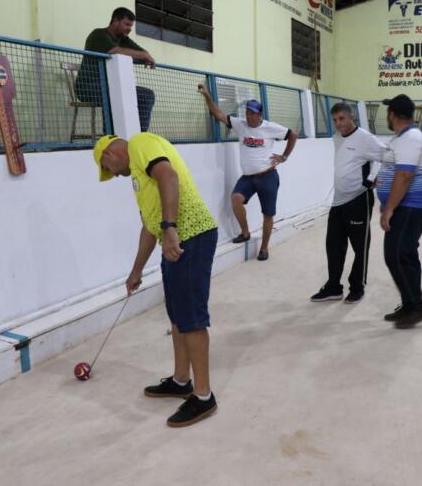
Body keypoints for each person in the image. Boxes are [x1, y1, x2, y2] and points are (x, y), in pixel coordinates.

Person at [93, 132, 218, 428]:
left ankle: (203, 397)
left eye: (108, 168)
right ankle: (181, 380)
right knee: (177, 315)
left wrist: (171, 227)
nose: (114, 174)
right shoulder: (138, 180)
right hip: (173, 240)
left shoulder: (139, 144)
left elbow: (168, 175)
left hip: (190, 235)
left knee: (191, 318)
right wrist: (136, 271)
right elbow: (150, 227)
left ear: (108, 155)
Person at [197, 84, 298, 261]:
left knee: (267, 214)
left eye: (253, 113)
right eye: (247, 113)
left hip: (268, 176)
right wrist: (207, 95)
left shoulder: (270, 127)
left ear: (260, 115)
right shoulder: (240, 124)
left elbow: (293, 134)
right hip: (248, 178)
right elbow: (218, 114)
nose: (249, 116)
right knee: (236, 199)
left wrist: (284, 156)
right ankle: (245, 233)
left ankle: (264, 248)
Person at [310, 103, 386, 304]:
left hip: (359, 199)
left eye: (342, 119)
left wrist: (371, 177)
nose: (338, 124)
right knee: (333, 246)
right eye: (335, 120)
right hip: (338, 202)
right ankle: (334, 287)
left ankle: (357, 286)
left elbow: (387, 155)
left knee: (360, 247)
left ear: (351, 117)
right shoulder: (336, 138)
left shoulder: (365, 138)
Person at [376, 95, 422, 330]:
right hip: (404, 206)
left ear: (392, 115)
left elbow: (404, 175)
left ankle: (417, 306)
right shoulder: (402, 138)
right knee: (406, 255)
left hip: (409, 207)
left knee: (396, 255)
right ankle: (410, 304)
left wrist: (389, 208)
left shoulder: (410, 138)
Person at [76, 8, 156, 132]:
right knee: (116, 93)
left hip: (111, 86)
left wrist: (145, 55)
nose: (129, 28)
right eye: (127, 24)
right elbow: (115, 51)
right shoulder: (98, 34)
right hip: (87, 87)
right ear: (115, 21)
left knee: (147, 95)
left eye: (131, 25)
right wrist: (143, 56)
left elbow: (143, 52)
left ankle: (139, 136)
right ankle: (110, 137)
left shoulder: (123, 39)